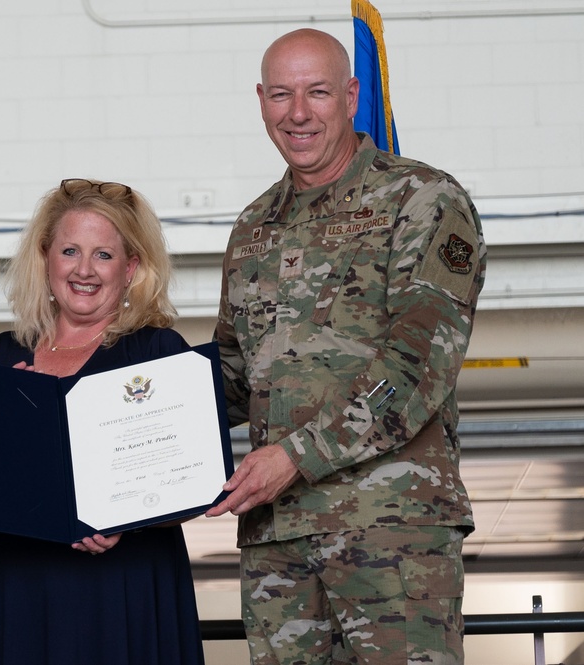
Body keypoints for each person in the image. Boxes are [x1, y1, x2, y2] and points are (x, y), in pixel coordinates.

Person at [205, 29, 486, 665]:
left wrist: (294, 457)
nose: (297, 112)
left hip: (392, 534)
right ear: (260, 100)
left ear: (352, 95)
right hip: (278, 542)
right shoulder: (254, 227)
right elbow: (229, 379)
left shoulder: (422, 199)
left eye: (317, 92)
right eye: (281, 94)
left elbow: (416, 369)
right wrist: (90, 390)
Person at [0, 178, 205, 665]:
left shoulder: (159, 353)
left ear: (131, 267)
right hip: (19, 587)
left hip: (123, 592)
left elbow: (194, 486)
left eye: (104, 255)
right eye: (70, 250)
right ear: (46, 257)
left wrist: (128, 520)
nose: (85, 270)